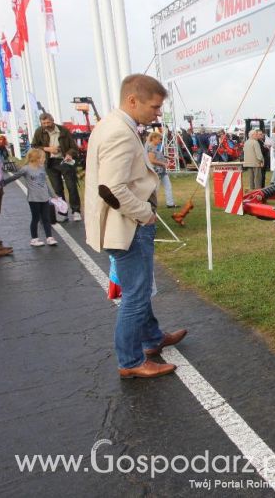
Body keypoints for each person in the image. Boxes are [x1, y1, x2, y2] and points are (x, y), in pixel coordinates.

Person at [84, 74, 186, 379]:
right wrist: (145, 213)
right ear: (133, 100)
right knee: (136, 295)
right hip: (128, 225)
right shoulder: (119, 131)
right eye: (154, 107)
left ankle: (152, 338)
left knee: (138, 289)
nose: (158, 113)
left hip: (126, 223)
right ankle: (130, 361)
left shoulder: (113, 125)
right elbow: (111, 188)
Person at [1, 148, 58, 246]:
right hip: (34, 199)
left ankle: (49, 237)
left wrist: (53, 195)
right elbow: (15, 176)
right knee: (35, 218)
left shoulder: (42, 168)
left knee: (46, 218)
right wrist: (3, 183)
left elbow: (45, 183)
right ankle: (34, 239)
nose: (44, 159)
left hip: (44, 198)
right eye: (43, 158)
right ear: (37, 158)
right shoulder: (26, 169)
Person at [31, 112, 82, 221]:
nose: (46, 125)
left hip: (65, 161)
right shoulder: (39, 131)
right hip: (50, 162)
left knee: (72, 187)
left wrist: (69, 154)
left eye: (48, 122)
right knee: (57, 189)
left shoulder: (63, 130)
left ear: (53, 120)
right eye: (43, 123)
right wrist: (48, 149)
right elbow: (34, 146)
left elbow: (73, 147)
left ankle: (76, 211)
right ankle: (63, 213)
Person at [145, 132, 179, 209]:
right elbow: (152, 160)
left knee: (168, 186)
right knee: (155, 189)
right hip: (156, 171)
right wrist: (164, 164)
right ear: (153, 138)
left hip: (162, 171)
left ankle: (170, 204)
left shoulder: (155, 147)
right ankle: (151, 205)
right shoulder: (151, 147)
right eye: (159, 139)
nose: (160, 141)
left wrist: (167, 157)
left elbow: (158, 155)